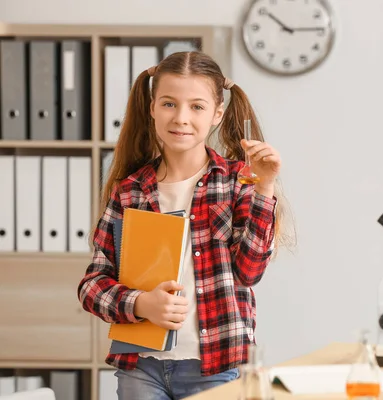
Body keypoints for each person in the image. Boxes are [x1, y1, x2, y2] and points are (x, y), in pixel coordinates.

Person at [77, 51, 295, 399]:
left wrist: (264, 188)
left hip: (216, 367)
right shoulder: (130, 191)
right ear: (151, 108)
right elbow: (92, 286)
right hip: (140, 368)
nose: (181, 118)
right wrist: (140, 303)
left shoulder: (238, 182)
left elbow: (250, 271)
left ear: (216, 114)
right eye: (168, 104)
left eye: (196, 106)